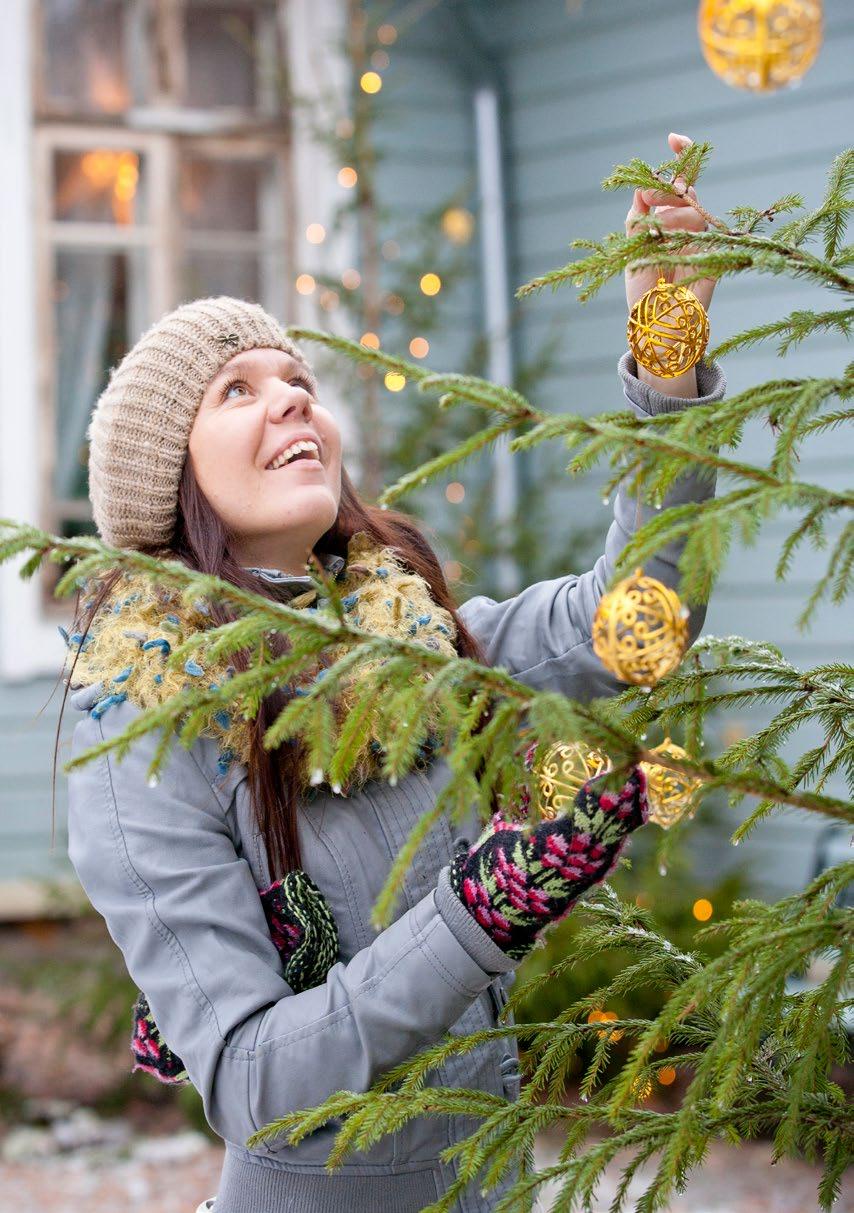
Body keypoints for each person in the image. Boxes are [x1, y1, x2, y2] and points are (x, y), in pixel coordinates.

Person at [61, 132, 724, 1213]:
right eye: (236, 390)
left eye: (299, 380)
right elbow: (248, 1077)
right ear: (163, 485)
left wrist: (666, 341)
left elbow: (634, 623)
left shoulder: (422, 645)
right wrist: (477, 913)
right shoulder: (140, 737)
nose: (290, 399)